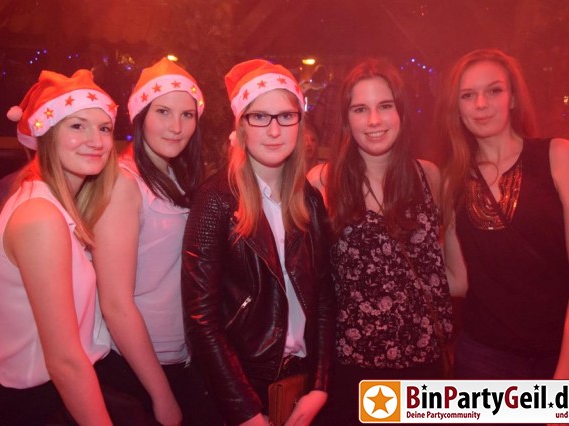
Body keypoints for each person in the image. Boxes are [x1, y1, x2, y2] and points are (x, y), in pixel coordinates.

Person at [181, 59, 334, 426]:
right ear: (242, 125)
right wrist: (245, 410)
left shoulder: (310, 200)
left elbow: (324, 298)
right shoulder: (216, 200)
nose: (274, 130)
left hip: (300, 385)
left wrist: (319, 386)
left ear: (299, 123)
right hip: (244, 389)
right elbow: (201, 320)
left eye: (286, 116)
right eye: (260, 117)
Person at [307, 58, 453, 425]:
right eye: (360, 109)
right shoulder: (322, 183)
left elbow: (449, 274)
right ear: (346, 119)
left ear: (401, 112)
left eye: (385, 106)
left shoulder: (429, 177)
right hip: (352, 371)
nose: (374, 120)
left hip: (424, 369)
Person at [438, 48, 569, 380]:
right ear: (457, 108)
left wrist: (567, 377)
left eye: (494, 90)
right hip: (484, 359)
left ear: (513, 99)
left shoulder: (559, 157)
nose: (481, 104)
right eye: (468, 95)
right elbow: (460, 280)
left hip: (561, 353)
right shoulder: (453, 179)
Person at [0, 70, 122, 425]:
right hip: (37, 406)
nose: (96, 140)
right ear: (47, 134)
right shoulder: (40, 217)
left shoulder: (46, 201)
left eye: (104, 128)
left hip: (52, 396)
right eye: (77, 126)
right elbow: (64, 362)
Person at [92, 58, 219, 426]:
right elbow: (115, 304)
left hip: (178, 358)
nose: (176, 127)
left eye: (187, 115)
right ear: (141, 115)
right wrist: (161, 394)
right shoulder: (124, 184)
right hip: (138, 368)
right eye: (163, 112)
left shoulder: (174, 175)